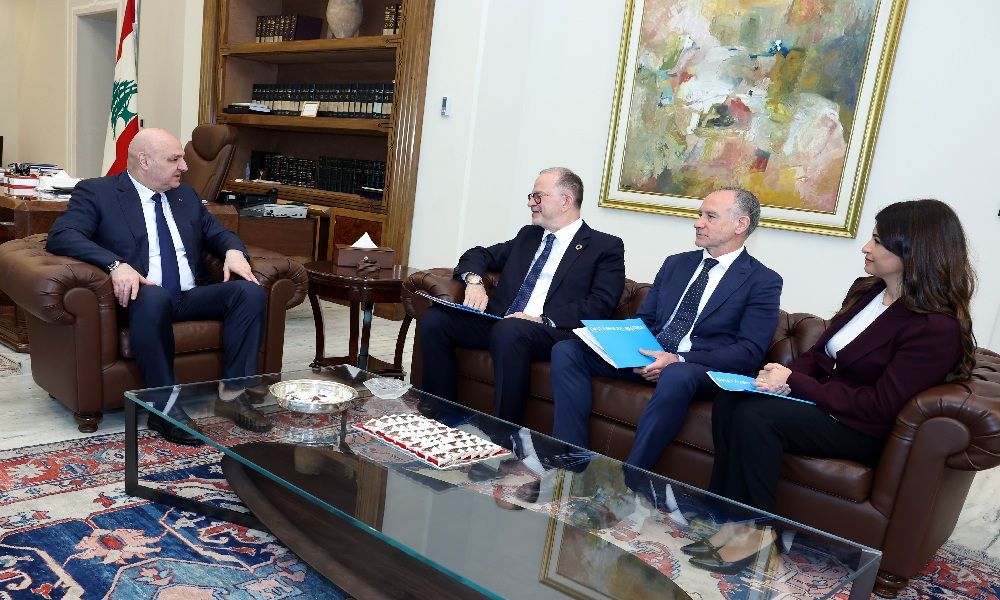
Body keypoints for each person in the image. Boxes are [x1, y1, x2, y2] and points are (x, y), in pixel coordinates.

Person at [687, 199, 975, 573]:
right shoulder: (870, 291)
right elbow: (821, 354)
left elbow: (880, 405)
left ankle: (756, 534)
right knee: (732, 400)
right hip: (826, 405)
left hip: (861, 426)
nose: (866, 247)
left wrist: (795, 382)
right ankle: (730, 521)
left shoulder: (935, 327)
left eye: (878, 241)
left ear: (913, 251)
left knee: (756, 417)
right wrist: (780, 378)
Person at [46, 128, 268, 445]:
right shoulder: (98, 192)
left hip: (190, 295)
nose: (184, 167)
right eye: (175, 159)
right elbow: (63, 235)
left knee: (249, 291)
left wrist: (233, 251)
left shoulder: (185, 195)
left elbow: (217, 233)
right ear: (145, 161)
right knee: (153, 298)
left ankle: (233, 392)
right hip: (142, 298)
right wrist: (115, 264)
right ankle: (163, 406)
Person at [549, 187, 783, 486]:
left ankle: (631, 479)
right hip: (651, 356)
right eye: (699, 214)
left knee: (676, 373)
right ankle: (570, 458)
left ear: (741, 224)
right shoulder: (677, 263)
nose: (698, 223)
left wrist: (677, 359)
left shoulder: (762, 281)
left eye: (710, 216)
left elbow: (749, 352)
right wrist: (625, 346)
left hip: (697, 368)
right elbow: (646, 320)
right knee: (568, 350)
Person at [419, 167, 626, 426]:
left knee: (511, 330)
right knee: (436, 319)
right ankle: (441, 415)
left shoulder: (604, 247)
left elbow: (601, 304)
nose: (530, 203)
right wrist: (474, 281)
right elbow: (479, 254)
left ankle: (503, 431)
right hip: (502, 321)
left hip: (552, 331)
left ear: (565, 201)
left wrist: (541, 319)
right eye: (531, 196)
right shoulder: (529, 236)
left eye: (538, 196)